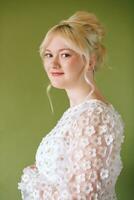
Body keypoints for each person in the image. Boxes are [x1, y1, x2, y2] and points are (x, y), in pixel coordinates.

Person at [18, 11, 125, 200]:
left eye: (65, 55)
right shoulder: (78, 113)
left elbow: (82, 196)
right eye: (48, 55)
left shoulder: (94, 116)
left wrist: (30, 178)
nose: (53, 63)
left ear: (89, 60)